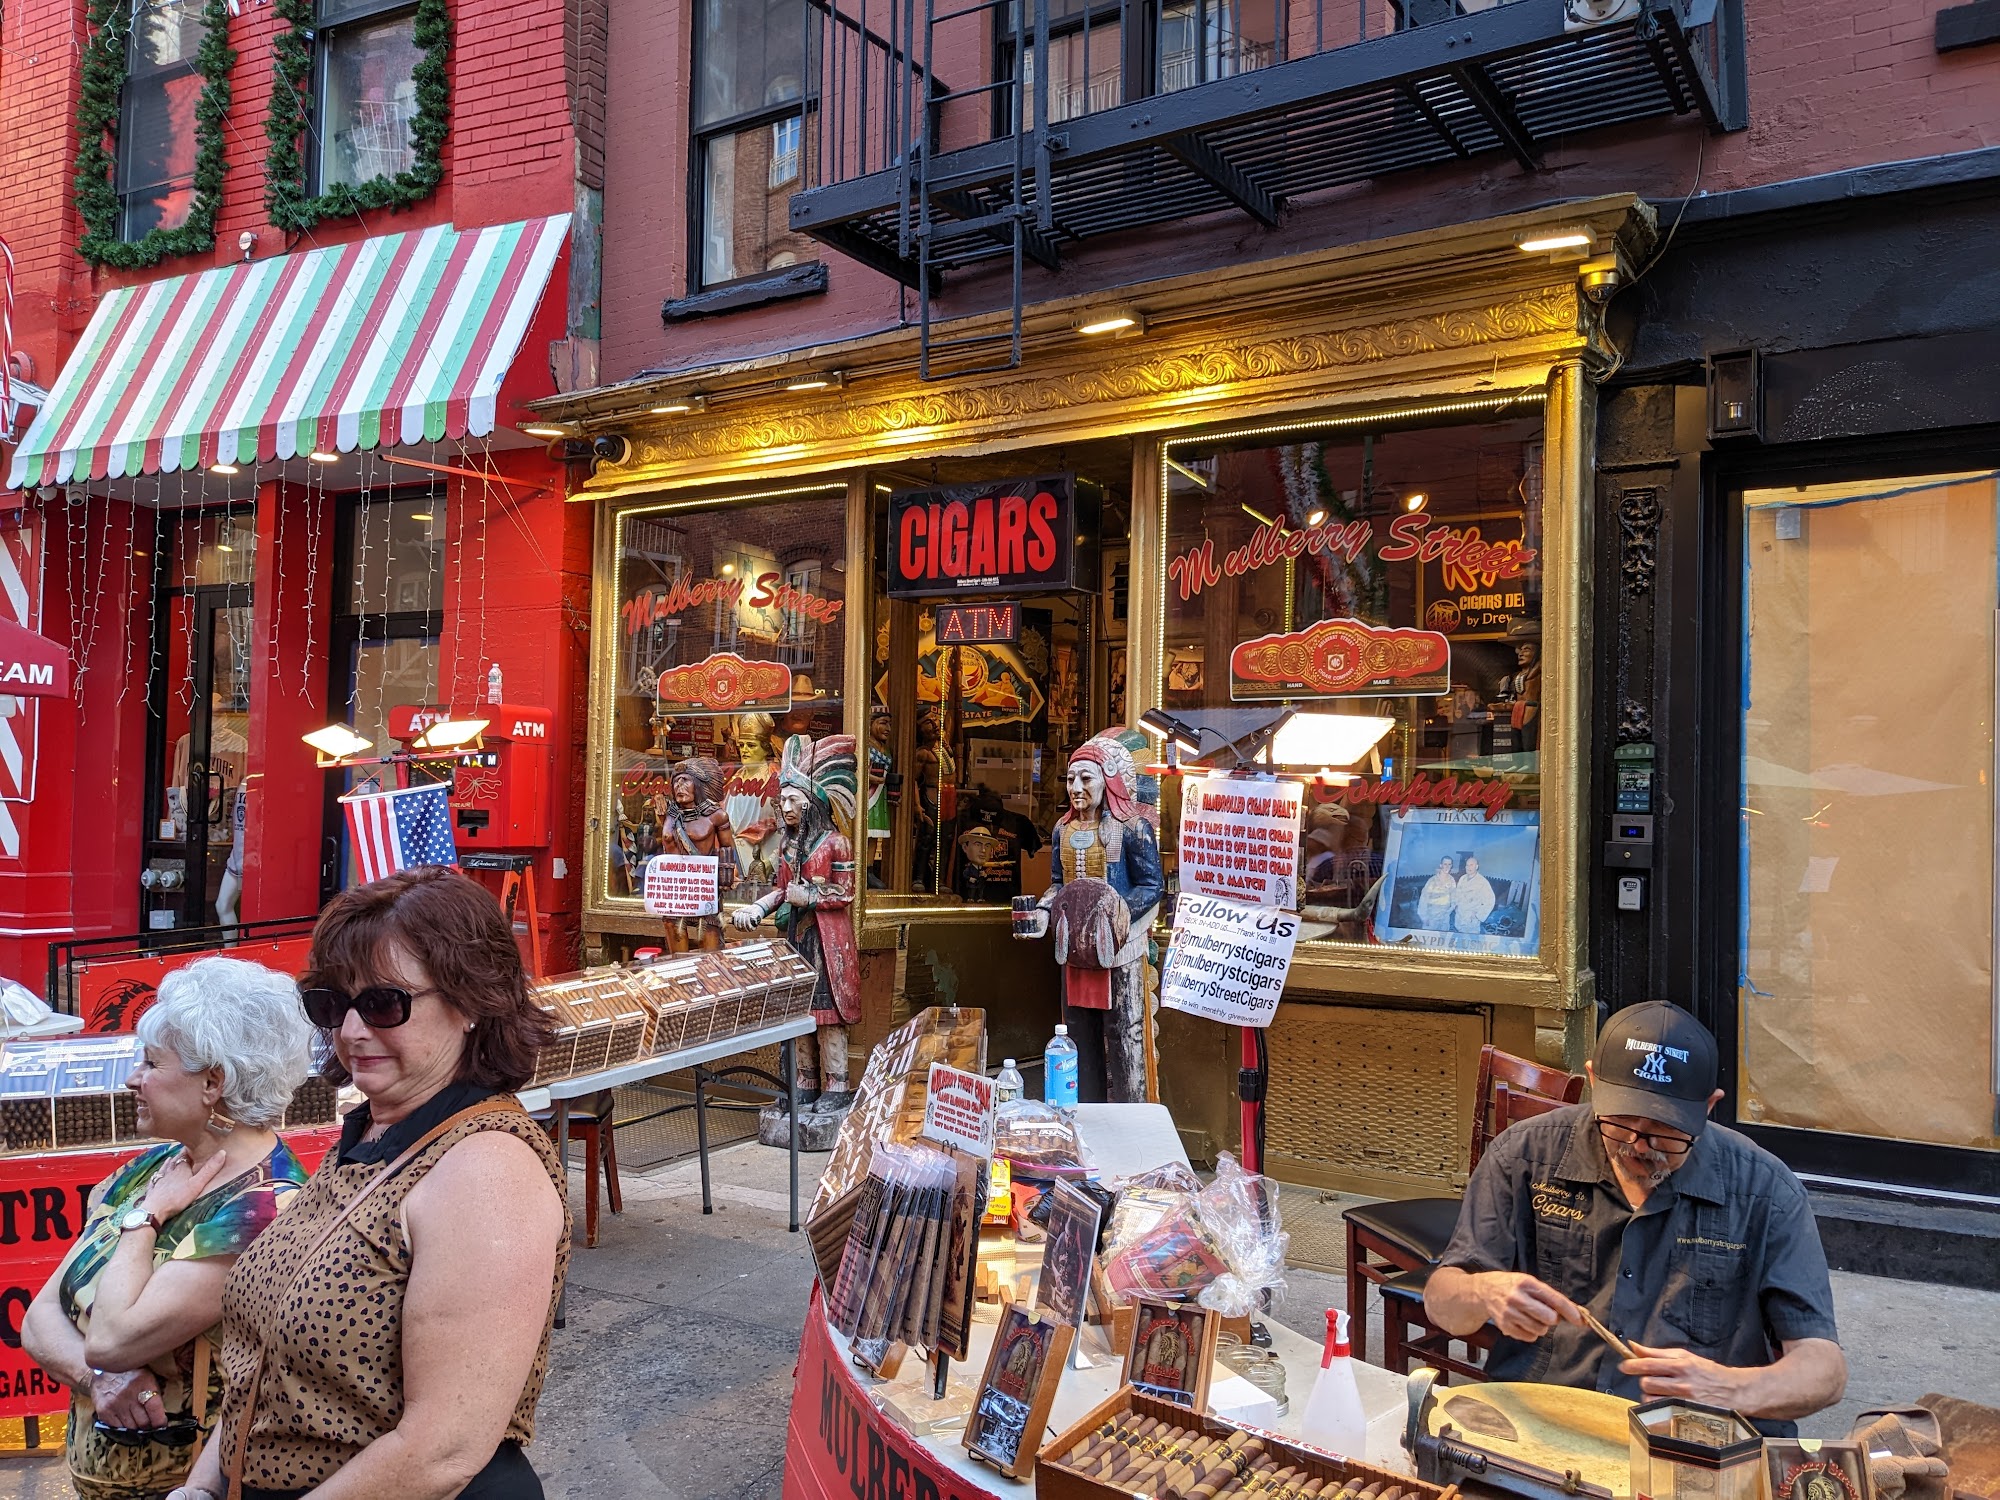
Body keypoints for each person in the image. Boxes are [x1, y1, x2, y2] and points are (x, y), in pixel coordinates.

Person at [171, 868, 570, 1500]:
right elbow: (266, 1367)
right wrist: (201, 1487)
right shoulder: (374, 1136)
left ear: (470, 1002)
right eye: (332, 1005)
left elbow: (442, 1449)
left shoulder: (485, 1171)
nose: (353, 1031)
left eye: (385, 1003)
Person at [1424, 1002, 1846, 1434]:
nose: (1638, 1144)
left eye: (1665, 1128)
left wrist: (1728, 1388)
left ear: (1709, 1107)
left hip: (1690, 1437)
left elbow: (1824, 1370)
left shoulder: (1765, 1191)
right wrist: (1480, 1291)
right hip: (1544, 1420)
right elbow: (1442, 1304)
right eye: (1621, 1118)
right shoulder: (1525, 1155)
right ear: (1592, 1080)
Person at [23, 957, 313, 1500]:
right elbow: (39, 1317)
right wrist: (97, 1383)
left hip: (194, 1488)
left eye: (152, 1063)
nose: (134, 1079)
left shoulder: (266, 1208)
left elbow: (111, 1339)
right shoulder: (151, 1169)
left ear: (213, 1081)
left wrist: (147, 1220)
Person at [732, 734, 860, 1117]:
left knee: (827, 1015)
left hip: (827, 943)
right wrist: (759, 907)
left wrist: (813, 897)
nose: (786, 807)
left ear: (812, 804)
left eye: (793, 800)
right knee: (800, 1016)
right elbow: (782, 890)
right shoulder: (788, 848)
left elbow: (847, 891)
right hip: (798, 940)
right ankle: (805, 1082)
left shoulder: (836, 843)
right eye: (782, 799)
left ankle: (837, 1084)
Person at [1451, 852, 1495, 934]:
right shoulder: (1462, 878)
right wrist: (1455, 906)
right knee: (1459, 938)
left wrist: (1478, 915)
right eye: (1467, 865)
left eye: (1471, 865)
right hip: (1459, 917)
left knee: (1470, 941)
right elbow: (1456, 894)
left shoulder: (1482, 882)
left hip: (1471, 920)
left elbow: (1490, 901)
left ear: (1477, 866)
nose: (1469, 867)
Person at [1417, 856, 1458, 930]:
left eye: (1449, 864)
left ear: (1451, 866)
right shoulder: (1432, 881)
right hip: (1431, 918)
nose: (1447, 867)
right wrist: (1424, 917)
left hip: (1444, 919)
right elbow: (1423, 899)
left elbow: (1454, 897)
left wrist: (1449, 911)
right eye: (1445, 864)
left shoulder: (1451, 880)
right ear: (1441, 865)